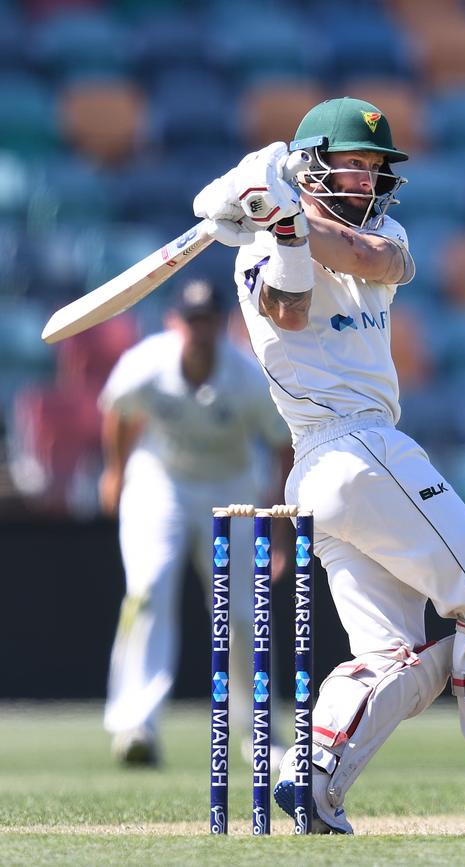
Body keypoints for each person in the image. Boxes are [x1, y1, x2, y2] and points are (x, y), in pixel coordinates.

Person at [193, 97, 465, 834]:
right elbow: (287, 310)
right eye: (355, 164)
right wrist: (277, 225)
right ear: (316, 164)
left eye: (377, 168)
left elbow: (373, 259)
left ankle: (311, 784)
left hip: (343, 468)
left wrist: (278, 209)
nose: (369, 180)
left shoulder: (380, 231)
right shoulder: (262, 252)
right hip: (349, 449)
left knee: (396, 653)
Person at [98, 278, 291, 767]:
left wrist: (281, 528)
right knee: (147, 589)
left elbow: (281, 445)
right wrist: (116, 472)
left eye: (208, 321)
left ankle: (260, 730)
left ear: (222, 324)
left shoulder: (248, 378)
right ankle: (135, 726)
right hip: (159, 483)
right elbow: (118, 413)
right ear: (174, 322)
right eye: (191, 321)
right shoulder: (147, 363)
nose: (199, 331)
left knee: (243, 611)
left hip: (231, 490)